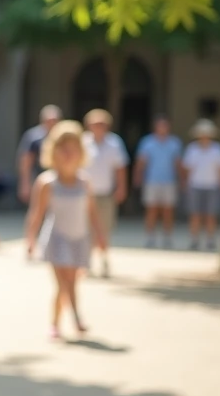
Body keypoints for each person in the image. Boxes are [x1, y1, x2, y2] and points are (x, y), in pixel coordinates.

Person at [26, 120, 107, 341]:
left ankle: (55, 323)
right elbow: (36, 214)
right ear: (54, 151)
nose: (68, 153)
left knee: (69, 284)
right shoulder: (46, 182)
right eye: (64, 148)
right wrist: (30, 240)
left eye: (73, 148)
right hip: (56, 238)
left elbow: (92, 213)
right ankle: (77, 318)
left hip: (79, 238)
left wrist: (100, 237)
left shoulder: (85, 182)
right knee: (63, 282)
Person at [82, 109, 129, 278]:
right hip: (86, 194)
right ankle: (86, 262)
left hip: (106, 193)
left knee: (104, 229)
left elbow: (120, 168)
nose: (98, 127)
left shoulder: (115, 143)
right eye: (95, 124)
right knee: (85, 229)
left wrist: (122, 187)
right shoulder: (83, 142)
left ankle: (104, 260)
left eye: (102, 124)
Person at [135, 115, 184, 249]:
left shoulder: (174, 143)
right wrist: (138, 177)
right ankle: (150, 237)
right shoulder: (147, 142)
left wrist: (182, 179)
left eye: (165, 125)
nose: (162, 128)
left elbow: (178, 164)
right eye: (160, 125)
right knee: (152, 210)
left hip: (169, 181)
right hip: (152, 181)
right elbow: (141, 162)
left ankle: (167, 237)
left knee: (168, 210)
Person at [182, 119, 220, 251]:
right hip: (195, 185)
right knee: (195, 214)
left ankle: (210, 240)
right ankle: (194, 240)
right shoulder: (192, 149)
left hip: (213, 186)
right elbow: (187, 169)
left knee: (211, 214)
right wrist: (185, 184)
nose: (204, 135)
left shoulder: (218, 150)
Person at [18, 105, 62, 204]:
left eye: (54, 120)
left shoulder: (62, 137)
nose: (52, 124)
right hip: (39, 178)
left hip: (59, 179)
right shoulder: (34, 137)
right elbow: (26, 161)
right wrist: (25, 184)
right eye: (49, 120)